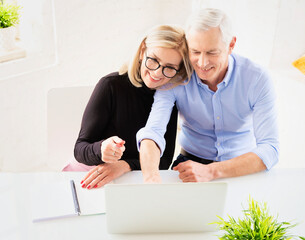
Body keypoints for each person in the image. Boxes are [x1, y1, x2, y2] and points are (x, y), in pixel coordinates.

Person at [137, 8, 279, 183]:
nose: (202, 63)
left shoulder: (256, 79)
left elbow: (270, 148)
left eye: (212, 52)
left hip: (242, 167)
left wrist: (211, 171)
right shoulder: (176, 77)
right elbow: (153, 132)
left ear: (231, 45)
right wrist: (151, 177)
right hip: (189, 163)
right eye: (195, 52)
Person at [73, 24, 192, 189]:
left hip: (133, 180)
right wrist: (101, 149)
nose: (157, 73)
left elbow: (164, 161)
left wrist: (125, 165)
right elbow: (80, 149)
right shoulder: (110, 86)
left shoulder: (168, 97)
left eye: (169, 68)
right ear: (142, 51)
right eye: (154, 60)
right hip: (96, 175)